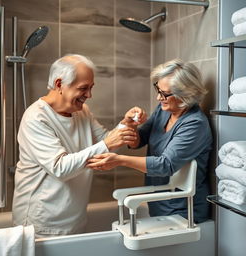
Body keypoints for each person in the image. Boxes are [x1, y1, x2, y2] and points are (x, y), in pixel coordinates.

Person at [12, 54, 146, 238]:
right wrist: (107, 143)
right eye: (83, 88)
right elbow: (60, 168)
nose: (89, 95)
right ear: (59, 84)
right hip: (41, 222)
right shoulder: (36, 118)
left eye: (91, 88)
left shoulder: (82, 111)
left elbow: (106, 140)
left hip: (74, 218)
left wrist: (126, 124)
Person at [87, 59, 213, 223]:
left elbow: (165, 165)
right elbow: (139, 140)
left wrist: (119, 160)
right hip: (158, 202)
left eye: (165, 94)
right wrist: (130, 124)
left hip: (184, 211)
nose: (158, 97)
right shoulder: (164, 110)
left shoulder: (195, 124)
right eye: (158, 89)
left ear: (186, 95)